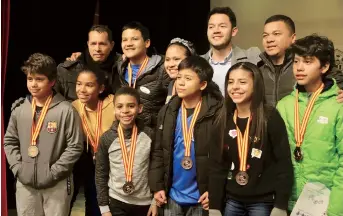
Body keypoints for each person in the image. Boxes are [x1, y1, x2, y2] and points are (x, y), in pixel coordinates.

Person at [208, 62, 293, 216]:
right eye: (231, 82)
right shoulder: (222, 119)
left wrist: (281, 204)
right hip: (232, 200)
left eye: (242, 82)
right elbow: (217, 166)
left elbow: (283, 163)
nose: (235, 87)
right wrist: (214, 205)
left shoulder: (269, 117)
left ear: (256, 85)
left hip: (263, 201)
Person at [4, 53, 84, 216]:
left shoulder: (66, 110)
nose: (33, 84)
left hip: (57, 186)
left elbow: (75, 146)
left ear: (52, 81)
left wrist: (54, 173)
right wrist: (18, 168)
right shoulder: (19, 109)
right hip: (26, 186)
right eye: (30, 79)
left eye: (39, 79)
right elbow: (10, 141)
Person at [276, 35, 343, 215]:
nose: (299, 67)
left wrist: (334, 211)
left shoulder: (338, 105)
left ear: (325, 66)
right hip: (289, 203)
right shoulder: (284, 105)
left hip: (326, 204)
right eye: (296, 61)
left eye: (307, 61)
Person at [149, 56, 223, 216]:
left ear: (203, 84)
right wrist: (157, 186)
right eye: (179, 77)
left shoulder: (217, 112)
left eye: (188, 78)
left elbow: (223, 156)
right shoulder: (167, 111)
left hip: (201, 197)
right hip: (171, 195)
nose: (181, 82)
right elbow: (158, 152)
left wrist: (214, 190)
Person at [95, 87, 157, 216]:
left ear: (140, 108)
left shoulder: (149, 134)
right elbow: (101, 173)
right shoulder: (107, 138)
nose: (125, 111)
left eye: (131, 106)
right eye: (120, 106)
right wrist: (104, 207)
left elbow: (156, 167)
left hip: (144, 202)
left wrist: (155, 201)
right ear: (114, 110)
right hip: (116, 201)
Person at [259, 15, 343, 106]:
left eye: (276, 34)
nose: (269, 39)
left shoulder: (306, 66)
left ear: (293, 38)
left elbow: (337, 81)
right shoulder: (259, 69)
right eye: (265, 35)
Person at [70, 67, 115, 215]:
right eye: (78, 84)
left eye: (89, 85)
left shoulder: (114, 103)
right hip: (90, 162)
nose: (82, 89)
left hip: (114, 164)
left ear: (101, 88)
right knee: (92, 202)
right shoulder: (74, 107)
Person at [115, 21, 170, 128]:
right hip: (127, 131)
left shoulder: (162, 69)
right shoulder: (120, 66)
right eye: (124, 40)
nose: (129, 43)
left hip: (153, 134)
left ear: (147, 43)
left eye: (134, 39)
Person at [202, 6, 261, 95]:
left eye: (222, 26)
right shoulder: (199, 63)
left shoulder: (251, 57)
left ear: (233, 31)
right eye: (211, 27)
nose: (216, 31)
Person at [56, 25, 122, 101]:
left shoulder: (123, 67)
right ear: (88, 44)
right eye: (93, 44)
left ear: (111, 45)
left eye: (102, 44)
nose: (97, 49)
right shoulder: (69, 69)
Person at [164, 37, 196, 103]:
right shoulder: (171, 84)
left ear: (189, 59)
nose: (170, 65)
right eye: (167, 59)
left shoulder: (196, 87)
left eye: (176, 59)